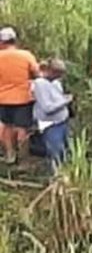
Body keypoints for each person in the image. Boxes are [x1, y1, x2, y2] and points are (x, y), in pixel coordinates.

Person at [0, 26, 39, 165]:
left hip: (3, 98)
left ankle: (10, 155)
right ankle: (23, 158)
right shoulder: (26, 55)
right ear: (15, 40)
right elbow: (37, 73)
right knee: (22, 129)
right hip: (23, 98)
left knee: (6, 126)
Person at [31, 58, 73, 171]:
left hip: (62, 121)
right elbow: (47, 107)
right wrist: (65, 101)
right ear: (51, 71)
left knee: (65, 151)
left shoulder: (56, 83)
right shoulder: (40, 84)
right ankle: (56, 176)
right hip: (50, 123)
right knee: (55, 151)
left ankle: (65, 173)